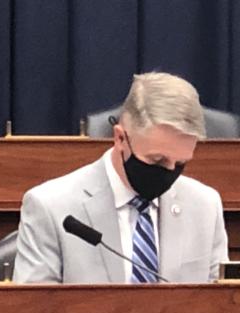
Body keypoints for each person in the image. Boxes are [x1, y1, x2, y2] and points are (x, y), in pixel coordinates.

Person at [14, 72, 228, 283]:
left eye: (180, 163)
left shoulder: (205, 206)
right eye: (157, 160)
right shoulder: (51, 207)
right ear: (120, 138)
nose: (169, 172)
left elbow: (222, 306)